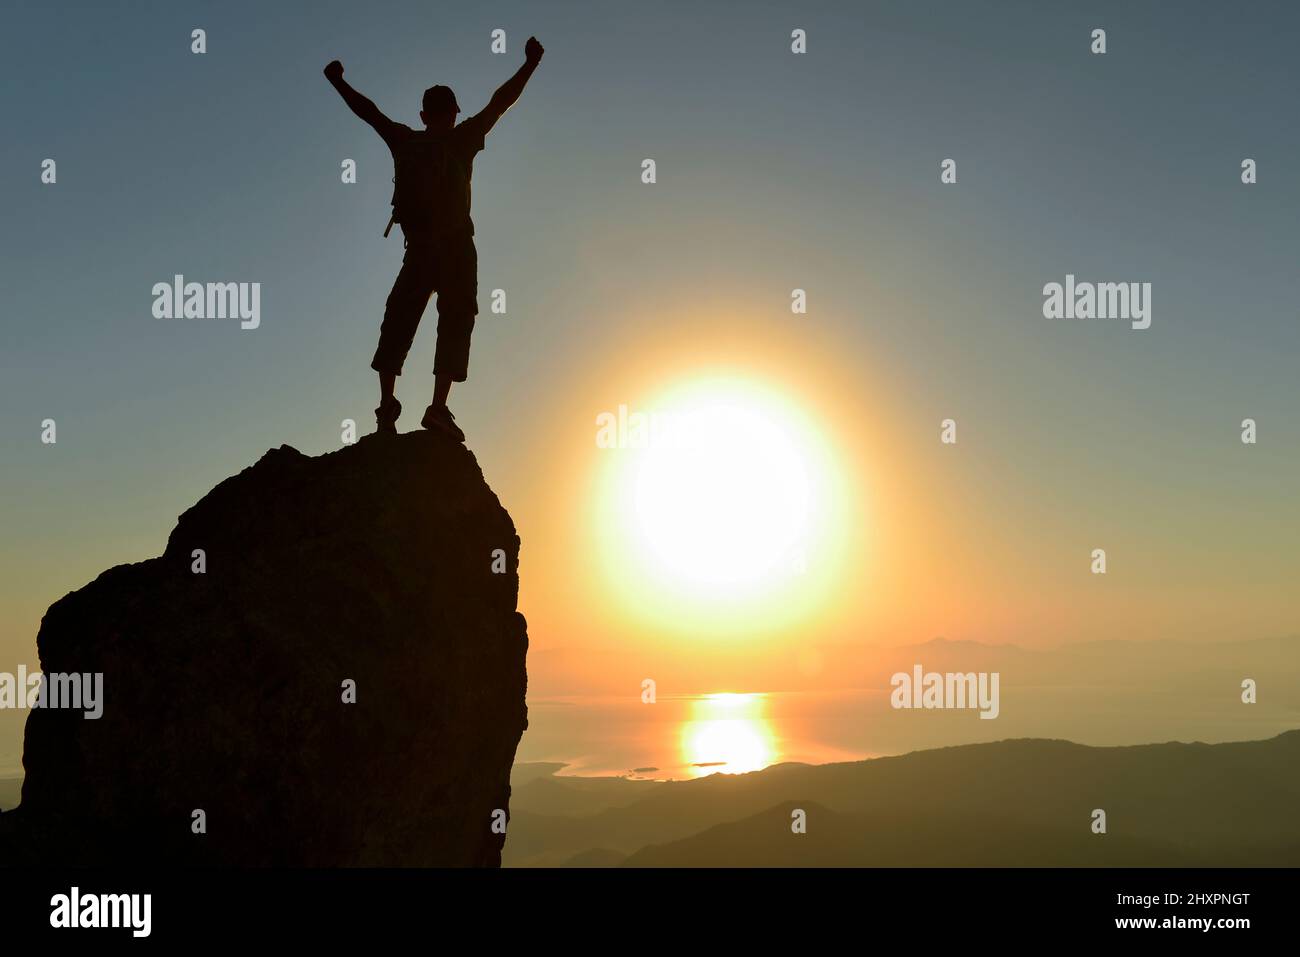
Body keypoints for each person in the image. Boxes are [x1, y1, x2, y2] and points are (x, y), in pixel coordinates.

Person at [324, 37, 545, 439]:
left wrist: (338, 82)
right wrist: (530, 63)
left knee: (398, 321)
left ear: (424, 114)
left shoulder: (406, 140)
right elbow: (501, 101)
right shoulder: (463, 139)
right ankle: (438, 408)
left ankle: (386, 408)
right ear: (452, 113)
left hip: (420, 249)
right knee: (456, 322)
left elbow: (369, 113)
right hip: (458, 248)